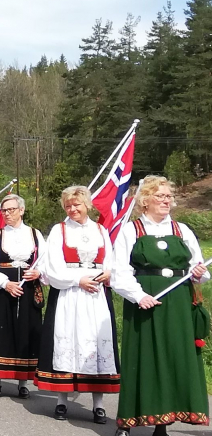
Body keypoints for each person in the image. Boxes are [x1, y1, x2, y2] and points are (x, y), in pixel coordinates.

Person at [112, 176, 209, 436]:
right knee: (143, 359)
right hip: (145, 302)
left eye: (168, 196)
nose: (166, 201)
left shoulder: (182, 230)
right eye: (160, 196)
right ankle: (127, 422)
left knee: (173, 357)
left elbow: (198, 270)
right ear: (145, 201)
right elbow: (119, 271)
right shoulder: (131, 230)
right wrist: (138, 295)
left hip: (178, 303)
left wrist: (198, 272)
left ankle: (162, 425)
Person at [35, 185, 119, 423]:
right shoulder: (59, 231)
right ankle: (62, 401)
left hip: (96, 298)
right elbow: (52, 268)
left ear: (87, 205)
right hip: (69, 295)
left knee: (98, 344)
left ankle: (99, 404)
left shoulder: (101, 230)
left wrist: (108, 274)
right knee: (68, 341)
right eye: (68, 206)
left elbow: (111, 262)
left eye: (76, 205)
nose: (72, 209)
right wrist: (77, 280)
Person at [0, 194, 45, 399]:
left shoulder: (35, 234)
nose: (7, 214)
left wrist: (38, 272)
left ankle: (23, 381)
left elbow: (46, 259)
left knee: (26, 332)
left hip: (28, 288)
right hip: (3, 291)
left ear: (21, 210)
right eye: (4, 210)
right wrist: (5, 284)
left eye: (11, 210)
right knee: (0, 331)